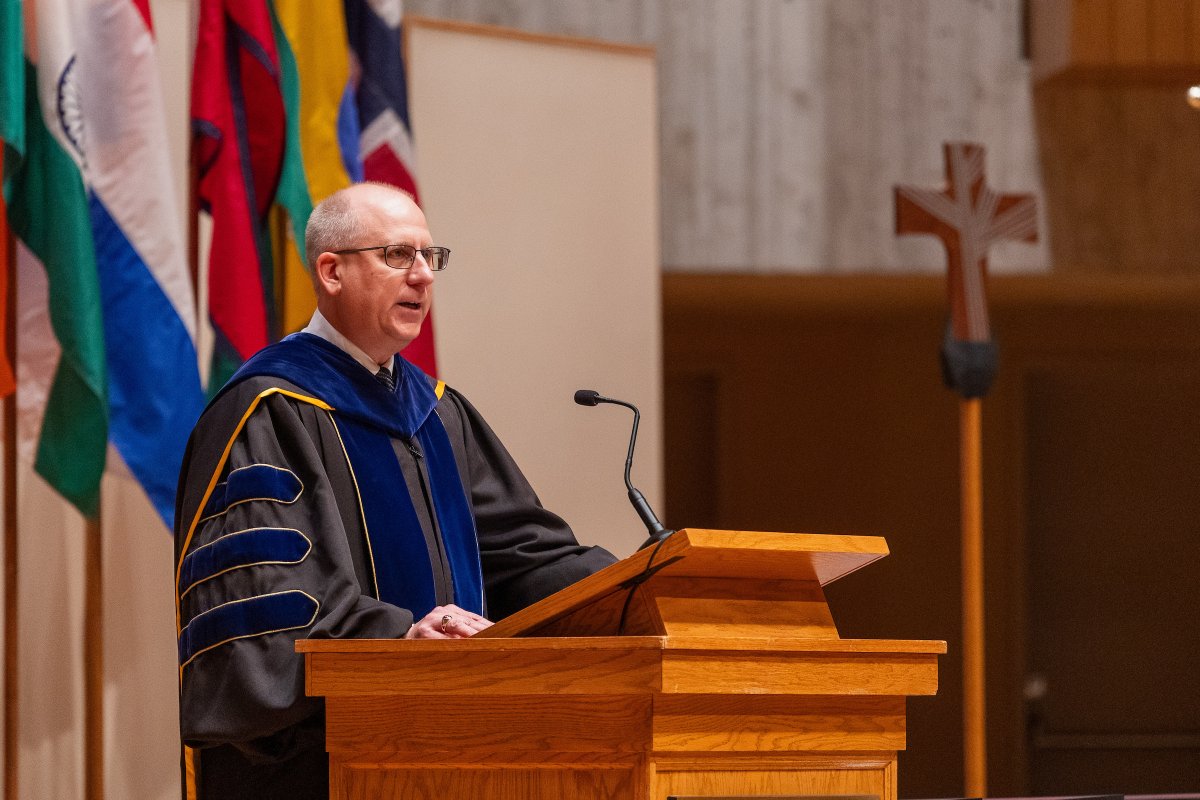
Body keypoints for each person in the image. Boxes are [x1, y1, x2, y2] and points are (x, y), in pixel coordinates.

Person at [173, 182, 617, 800]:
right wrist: (397, 638)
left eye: (430, 257)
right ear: (331, 271)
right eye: (397, 255)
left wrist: (640, 584)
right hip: (318, 767)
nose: (423, 276)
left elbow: (526, 555)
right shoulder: (267, 410)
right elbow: (267, 598)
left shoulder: (437, 413)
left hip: (451, 757)